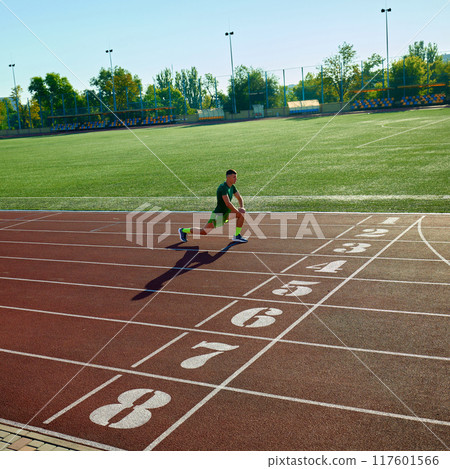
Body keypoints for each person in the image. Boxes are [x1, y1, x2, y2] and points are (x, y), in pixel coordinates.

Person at [178, 169, 248, 243]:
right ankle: (183, 230)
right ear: (228, 177)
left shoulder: (232, 187)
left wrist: (241, 207)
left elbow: (239, 197)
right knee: (204, 232)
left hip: (226, 212)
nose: (236, 179)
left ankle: (237, 235)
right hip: (218, 214)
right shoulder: (223, 187)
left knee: (241, 212)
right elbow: (227, 203)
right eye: (234, 177)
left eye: (236, 177)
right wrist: (236, 212)